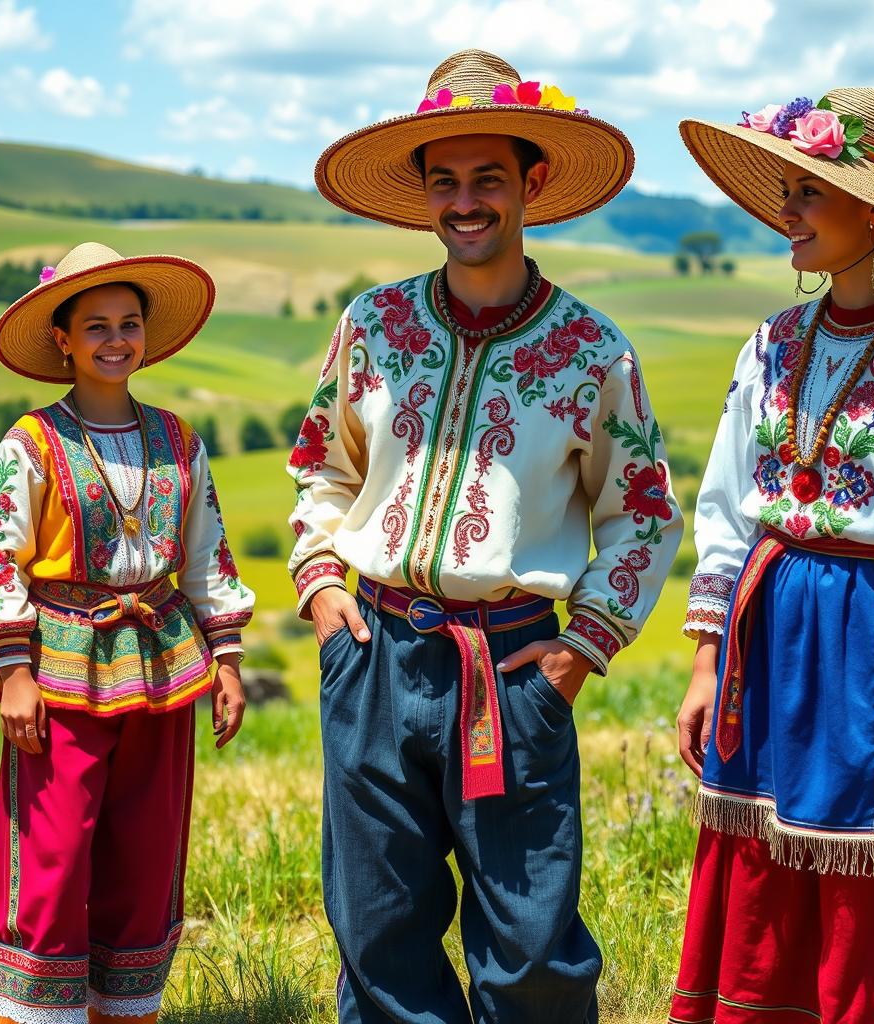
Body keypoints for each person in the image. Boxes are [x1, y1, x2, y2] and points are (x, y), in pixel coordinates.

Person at [288, 48, 682, 1023]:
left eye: (488, 179)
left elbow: (641, 511)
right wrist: (324, 595)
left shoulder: (592, 351)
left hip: (510, 666)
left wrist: (579, 649)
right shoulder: (372, 326)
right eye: (445, 181)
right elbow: (320, 469)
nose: (465, 202)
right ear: (424, 191)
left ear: (531, 184)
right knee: (379, 940)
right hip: (371, 655)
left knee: (531, 952)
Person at [671, 89, 874, 1022]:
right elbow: (727, 505)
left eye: (810, 192)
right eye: (785, 190)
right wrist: (704, 658)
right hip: (770, 628)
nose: (786, 212)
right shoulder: (769, 344)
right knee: (765, 860)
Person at [0, 242, 254, 1024]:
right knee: (56, 859)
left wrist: (226, 659)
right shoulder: (31, 443)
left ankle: (124, 1014)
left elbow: (205, 555)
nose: (115, 339)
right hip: (59, 666)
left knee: (145, 852)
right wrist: (15, 668)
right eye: (96, 325)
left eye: (129, 323)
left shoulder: (178, 441)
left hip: (160, 664)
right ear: (63, 339)